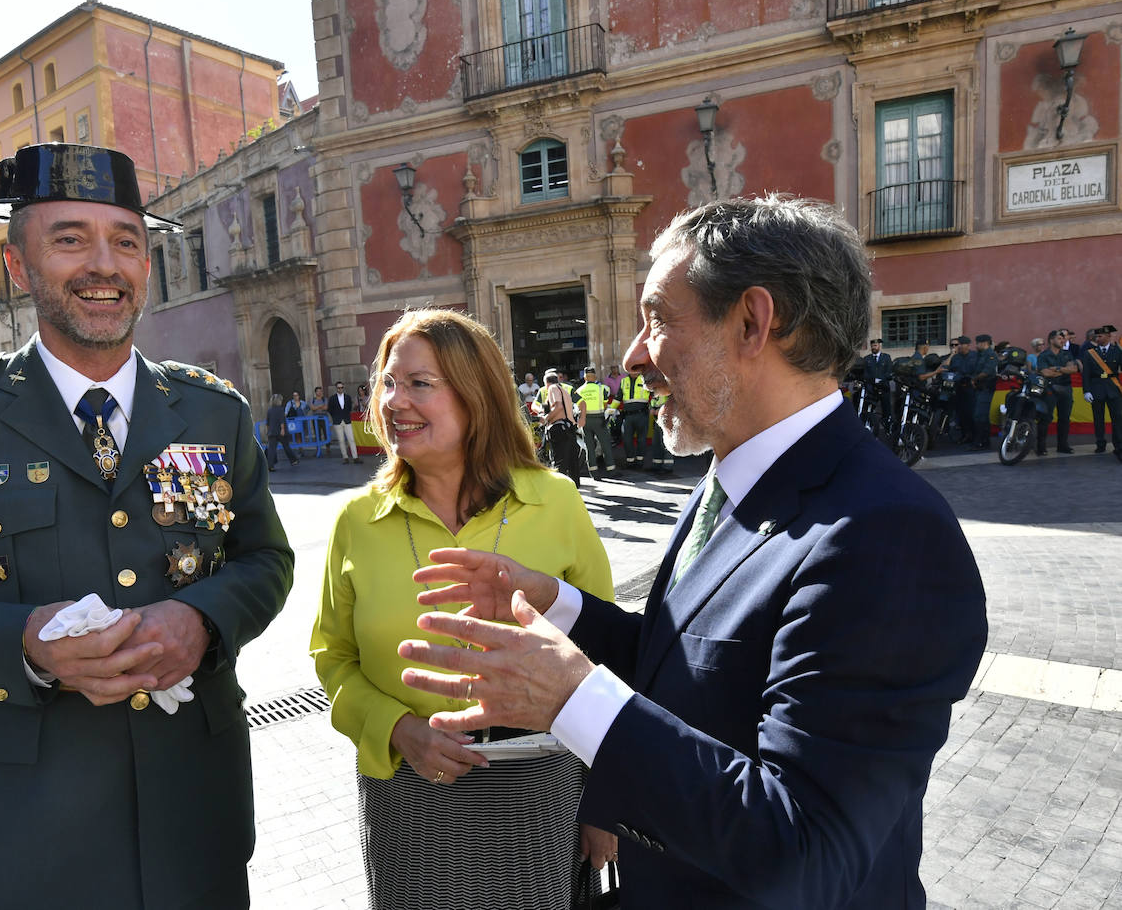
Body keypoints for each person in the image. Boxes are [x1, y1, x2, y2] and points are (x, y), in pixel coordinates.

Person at [396, 196, 988, 909]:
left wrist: (573, 698)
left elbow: (807, 852)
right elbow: (698, 665)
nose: (634, 355)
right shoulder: (728, 478)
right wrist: (563, 609)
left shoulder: (889, 534)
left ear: (751, 322)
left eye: (658, 320)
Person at [0, 143, 294, 908]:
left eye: (125, 241)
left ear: (146, 265)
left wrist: (202, 620)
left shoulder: (214, 410)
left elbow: (264, 560)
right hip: (27, 830)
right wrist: (22, 645)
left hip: (194, 811)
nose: (103, 264)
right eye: (70, 239)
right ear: (19, 266)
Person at [311, 308, 615, 910]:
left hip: (542, 788)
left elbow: (611, 657)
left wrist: (608, 801)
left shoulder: (554, 502)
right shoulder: (355, 521)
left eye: (421, 383)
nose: (395, 401)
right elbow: (333, 659)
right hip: (408, 789)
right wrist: (398, 729)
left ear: (478, 396)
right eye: (388, 383)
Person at [1081, 324, 1122, 460]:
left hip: (1113, 389)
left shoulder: (1118, 351)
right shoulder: (1090, 353)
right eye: (1096, 336)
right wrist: (1086, 391)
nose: (1097, 338)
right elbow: (1086, 374)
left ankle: (1119, 445)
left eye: (1100, 336)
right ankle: (1100, 443)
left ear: (1108, 336)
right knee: (1098, 419)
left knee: (1118, 418)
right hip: (1096, 388)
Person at [537, 370, 583, 487]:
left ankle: (558, 488)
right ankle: (574, 486)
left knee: (559, 460)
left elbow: (558, 407)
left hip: (558, 427)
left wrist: (546, 419)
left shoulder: (552, 388)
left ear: (547, 383)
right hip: (569, 427)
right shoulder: (564, 390)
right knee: (572, 460)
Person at [1037, 330, 1078, 454]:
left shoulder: (1067, 353)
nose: (1063, 341)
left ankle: (1062, 445)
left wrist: (1058, 369)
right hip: (1050, 389)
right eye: (1060, 338)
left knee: (1064, 418)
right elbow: (1045, 372)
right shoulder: (1044, 355)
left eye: (1063, 339)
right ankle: (1041, 447)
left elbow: (1074, 369)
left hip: (1066, 388)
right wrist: (1064, 370)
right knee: (1046, 418)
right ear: (1051, 340)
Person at [575, 365, 616, 474]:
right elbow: (605, 405)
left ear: (585, 378)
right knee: (605, 444)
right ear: (595, 377)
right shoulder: (602, 389)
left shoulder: (579, 391)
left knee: (589, 446)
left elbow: (577, 407)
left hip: (585, 420)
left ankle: (593, 471)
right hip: (599, 420)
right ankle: (611, 469)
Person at [617, 368, 652, 465]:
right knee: (627, 439)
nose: (634, 371)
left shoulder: (645, 379)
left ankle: (640, 460)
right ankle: (630, 461)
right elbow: (618, 397)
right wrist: (610, 409)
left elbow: (653, 395)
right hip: (627, 415)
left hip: (642, 414)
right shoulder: (624, 381)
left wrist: (653, 407)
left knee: (642, 439)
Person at [946, 335, 977, 443]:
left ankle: (974, 436)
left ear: (967, 345)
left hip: (971, 388)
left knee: (971, 413)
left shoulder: (975, 356)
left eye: (960, 344)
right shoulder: (955, 357)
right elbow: (951, 371)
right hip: (959, 388)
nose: (958, 347)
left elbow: (977, 371)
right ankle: (965, 435)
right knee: (961, 413)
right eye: (957, 345)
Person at [970, 333, 998, 449]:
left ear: (984, 343)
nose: (976, 345)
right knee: (980, 416)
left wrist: (974, 379)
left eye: (977, 343)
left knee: (980, 416)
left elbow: (987, 371)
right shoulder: (980, 355)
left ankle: (981, 442)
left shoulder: (990, 355)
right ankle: (983, 441)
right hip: (979, 389)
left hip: (986, 389)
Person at [328, 381, 362, 464]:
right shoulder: (332, 398)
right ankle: (345, 457)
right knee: (341, 440)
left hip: (347, 420)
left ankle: (355, 457)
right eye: (338, 388)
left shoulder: (347, 397)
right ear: (336, 388)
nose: (340, 389)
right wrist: (335, 417)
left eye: (341, 387)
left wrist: (346, 415)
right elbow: (330, 409)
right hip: (337, 421)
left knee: (351, 439)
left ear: (343, 388)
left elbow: (349, 408)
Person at [265, 393, 301, 470]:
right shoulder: (281, 409)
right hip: (280, 432)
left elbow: (267, 422)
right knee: (286, 446)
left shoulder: (269, 410)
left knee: (272, 449)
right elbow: (282, 420)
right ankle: (293, 460)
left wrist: (268, 431)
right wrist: (283, 429)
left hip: (272, 432)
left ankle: (270, 466)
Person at [863, 337, 892, 424]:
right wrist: (873, 380)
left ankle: (887, 423)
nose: (873, 348)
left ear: (879, 346)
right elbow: (865, 373)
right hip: (871, 387)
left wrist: (881, 380)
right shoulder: (867, 359)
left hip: (883, 386)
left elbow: (889, 371)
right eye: (872, 346)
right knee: (869, 407)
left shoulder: (886, 357)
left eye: (875, 346)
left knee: (886, 407)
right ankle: (870, 423)